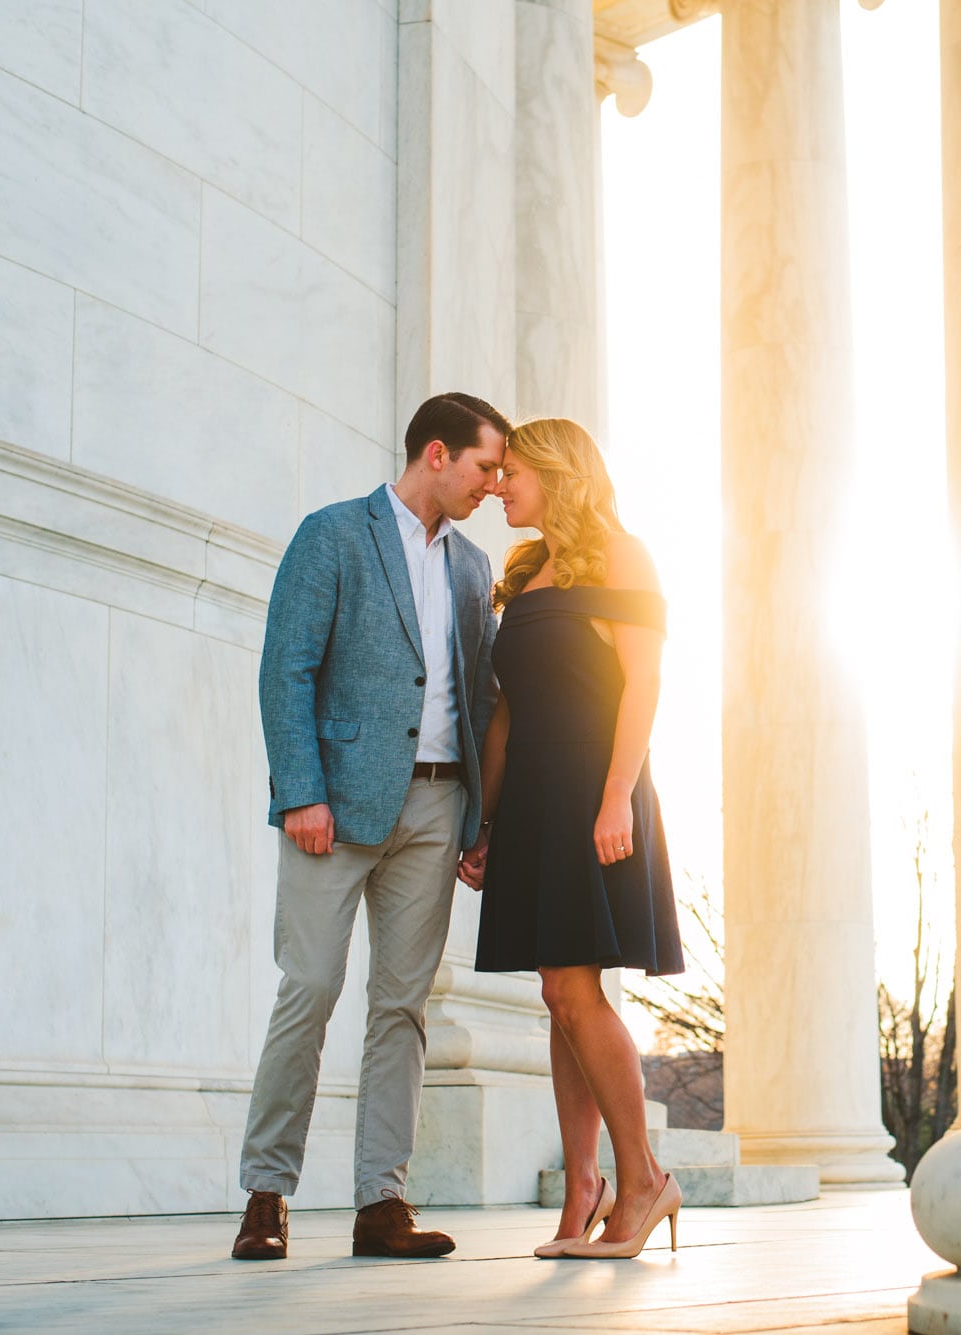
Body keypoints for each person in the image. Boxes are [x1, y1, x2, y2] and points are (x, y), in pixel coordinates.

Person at [232, 392, 509, 1261]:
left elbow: (482, 697)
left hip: (437, 807)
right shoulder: (333, 534)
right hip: (336, 803)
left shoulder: (473, 566)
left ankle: (380, 1203)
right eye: (484, 466)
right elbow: (288, 668)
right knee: (309, 988)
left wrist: (480, 817)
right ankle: (267, 1192)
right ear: (437, 453)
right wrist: (301, 791)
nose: (493, 485)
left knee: (402, 1007)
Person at [461, 416, 686, 1259]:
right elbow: (508, 712)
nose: (499, 485)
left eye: (511, 470)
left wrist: (618, 794)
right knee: (558, 999)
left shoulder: (624, 555)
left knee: (571, 989)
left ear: (557, 472)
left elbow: (644, 682)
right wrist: (482, 818)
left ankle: (645, 1182)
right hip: (530, 804)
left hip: (598, 792)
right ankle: (584, 1186)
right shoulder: (525, 572)